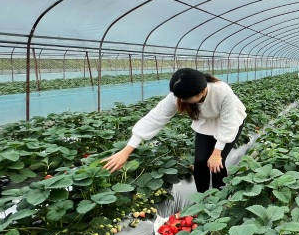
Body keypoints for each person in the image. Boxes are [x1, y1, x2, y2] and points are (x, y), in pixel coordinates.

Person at [103, 68, 247, 193]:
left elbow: (228, 124)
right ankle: (202, 198)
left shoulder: (222, 91)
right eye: (180, 98)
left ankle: (219, 196)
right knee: (200, 162)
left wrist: (216, 154)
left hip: (231, 122)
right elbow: (155, 117)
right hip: (206, 123)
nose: (182, 101)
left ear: (202, 91)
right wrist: (126, 150)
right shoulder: (179, 95)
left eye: (187, 99)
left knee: (217, 162)